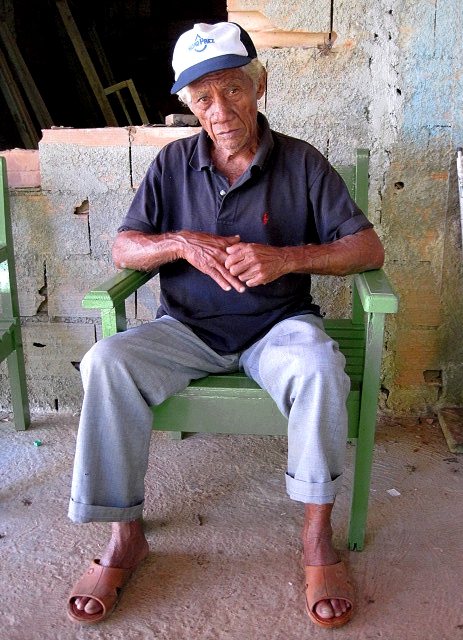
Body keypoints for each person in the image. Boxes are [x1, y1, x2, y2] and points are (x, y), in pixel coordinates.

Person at [67, 21, 385, 628]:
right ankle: (125, 534)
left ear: (260, 85)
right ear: (189, 105)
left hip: (278, 326)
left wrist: (286, 258)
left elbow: (368, 248)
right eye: (203, 97)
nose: (220, 110)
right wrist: (180, 243)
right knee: (106, 361)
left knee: (320, 367)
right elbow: (124, 248)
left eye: (233, 89)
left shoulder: (302, 162)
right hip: (186, 331)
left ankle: (316, 537)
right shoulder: (171, 164)